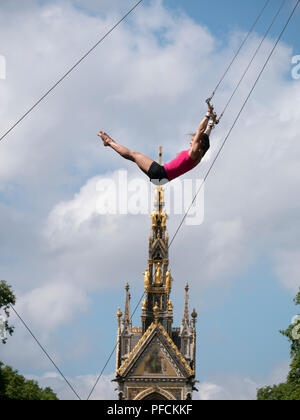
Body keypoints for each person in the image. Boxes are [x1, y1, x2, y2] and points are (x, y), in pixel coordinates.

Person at [98, 104, 216, 185]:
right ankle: (109, 142)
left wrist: (207, 114)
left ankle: (108, 141)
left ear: (199, 142)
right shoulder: (199, 156)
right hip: (162, 180)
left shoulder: (194, 152)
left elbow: (200, 131)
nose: (191, 141)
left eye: (194, 139)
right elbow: (205, 135)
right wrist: (210, 124)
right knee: (133, 158)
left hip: (160, 172)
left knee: (133, 155)